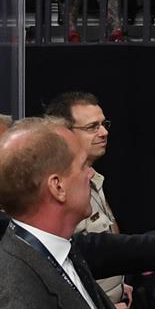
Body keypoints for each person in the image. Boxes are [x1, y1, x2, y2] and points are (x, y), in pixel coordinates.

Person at [0, 117, 155, 309]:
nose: (90, 175)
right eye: (82, 166)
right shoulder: (20, 293)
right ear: (57, 187)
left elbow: (97, 249)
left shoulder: (54, 247)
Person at [44, 92, 126, 307]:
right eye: (92, 127)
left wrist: (121, 284)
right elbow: (59, 267)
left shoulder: (92, 177)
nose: (104, 132)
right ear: (64, 133)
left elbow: (108, 235)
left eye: (103, 124)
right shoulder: (58, 189)